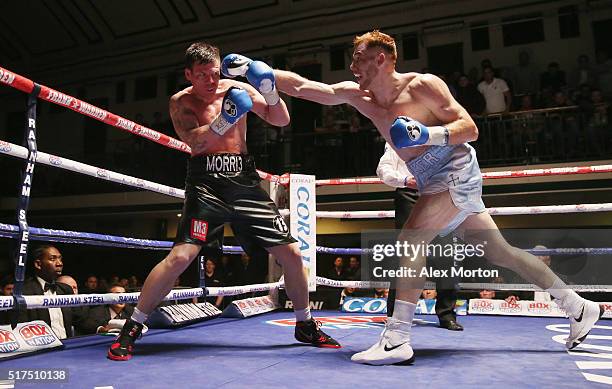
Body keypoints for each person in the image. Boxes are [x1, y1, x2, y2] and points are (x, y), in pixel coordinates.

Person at [267, 29, 602, 365]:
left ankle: (397, 338)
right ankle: (578, 307)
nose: (352, 65)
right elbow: (305, 88)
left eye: (359, 57)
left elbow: (470, 128)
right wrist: (257, 71)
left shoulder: (422, 85)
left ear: (380, 59)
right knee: (502, 253)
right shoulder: (361, 96)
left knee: (412, 240)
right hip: (432, 180)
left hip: (454, 170)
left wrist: (429, 133)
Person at [107, 42, 340, 361]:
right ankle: (132, 328)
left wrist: (270, 91)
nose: (210, 80)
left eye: (214, 72)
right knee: (180, 257)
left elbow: (280, 119)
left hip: (243, 180)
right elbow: (194, 139)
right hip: (206, 183)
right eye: (201, 75)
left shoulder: (235, 86)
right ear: (189, 74)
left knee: (292, 253)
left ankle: (305, 323)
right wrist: (226, 118)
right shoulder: (181, 102)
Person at [377, 143, 463, 331]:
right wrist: (406, 180)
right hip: (409, 194)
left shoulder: (442, 134)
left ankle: (447, 314)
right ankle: (395, 314)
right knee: (408, 255)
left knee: (446, 255)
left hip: (440, 195)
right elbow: (383, 169)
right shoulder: (397, 135)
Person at [17, 245, 85, 339]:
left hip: (68, 346)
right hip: (41, 349)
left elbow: (80, 319)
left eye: (60, 259)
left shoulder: (66, 289)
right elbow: (21, 328)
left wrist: (100, 328)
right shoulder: (24, 291)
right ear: (38, 264)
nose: (59, 263)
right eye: (53, 259)